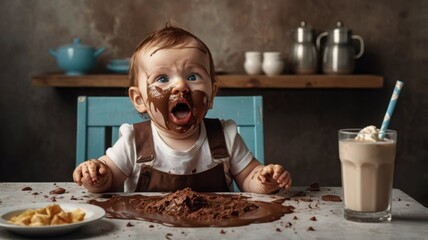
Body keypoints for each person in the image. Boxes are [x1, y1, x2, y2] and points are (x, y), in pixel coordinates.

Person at [73, 24, 292, 194]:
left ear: (212, 94)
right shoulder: (134, 141)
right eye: (162, 78)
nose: (180, 86)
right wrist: (97, 177)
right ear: (139, 99)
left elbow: (248, 178)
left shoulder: (225, 138)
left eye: (192, 76)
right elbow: (108, 181)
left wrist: (264, 180)